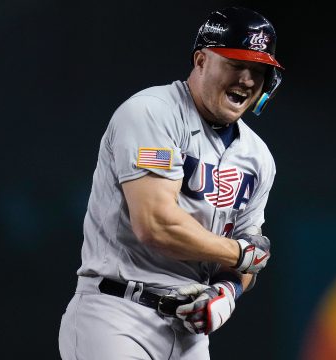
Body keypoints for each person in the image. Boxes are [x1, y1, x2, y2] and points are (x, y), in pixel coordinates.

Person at [58, 6, 284, 360]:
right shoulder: (152, 112)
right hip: (118, 314)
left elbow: (246, 261)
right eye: (236, 64)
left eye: (258, 71)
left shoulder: (259, 157)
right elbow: (155, 224)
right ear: (201, 60)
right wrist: (241, 255)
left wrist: (227, 294)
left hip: (189, 330)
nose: (247, 79)